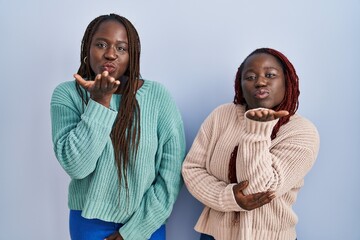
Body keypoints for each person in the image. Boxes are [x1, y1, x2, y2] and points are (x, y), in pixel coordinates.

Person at [50, 13, 186, 240]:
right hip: (88, 221)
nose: (111, 54)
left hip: (145, 223)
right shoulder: (67, 95)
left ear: (133, 55)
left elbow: (171, 175)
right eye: (101, 44)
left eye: (121, 48)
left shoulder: (157, 97)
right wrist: (99, 102)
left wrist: (133, 232)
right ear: (87, 48)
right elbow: (77, 167)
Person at [182, 48, 320, 240]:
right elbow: (192, 169)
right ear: (240, 85)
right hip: (214, 235)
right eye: (250, 77)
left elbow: (260, 189)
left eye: (270, 75)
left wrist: (256, 130)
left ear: (287, 81)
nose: (260, 82)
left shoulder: (302, 131)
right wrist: (229, 197)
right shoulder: (221, 115)